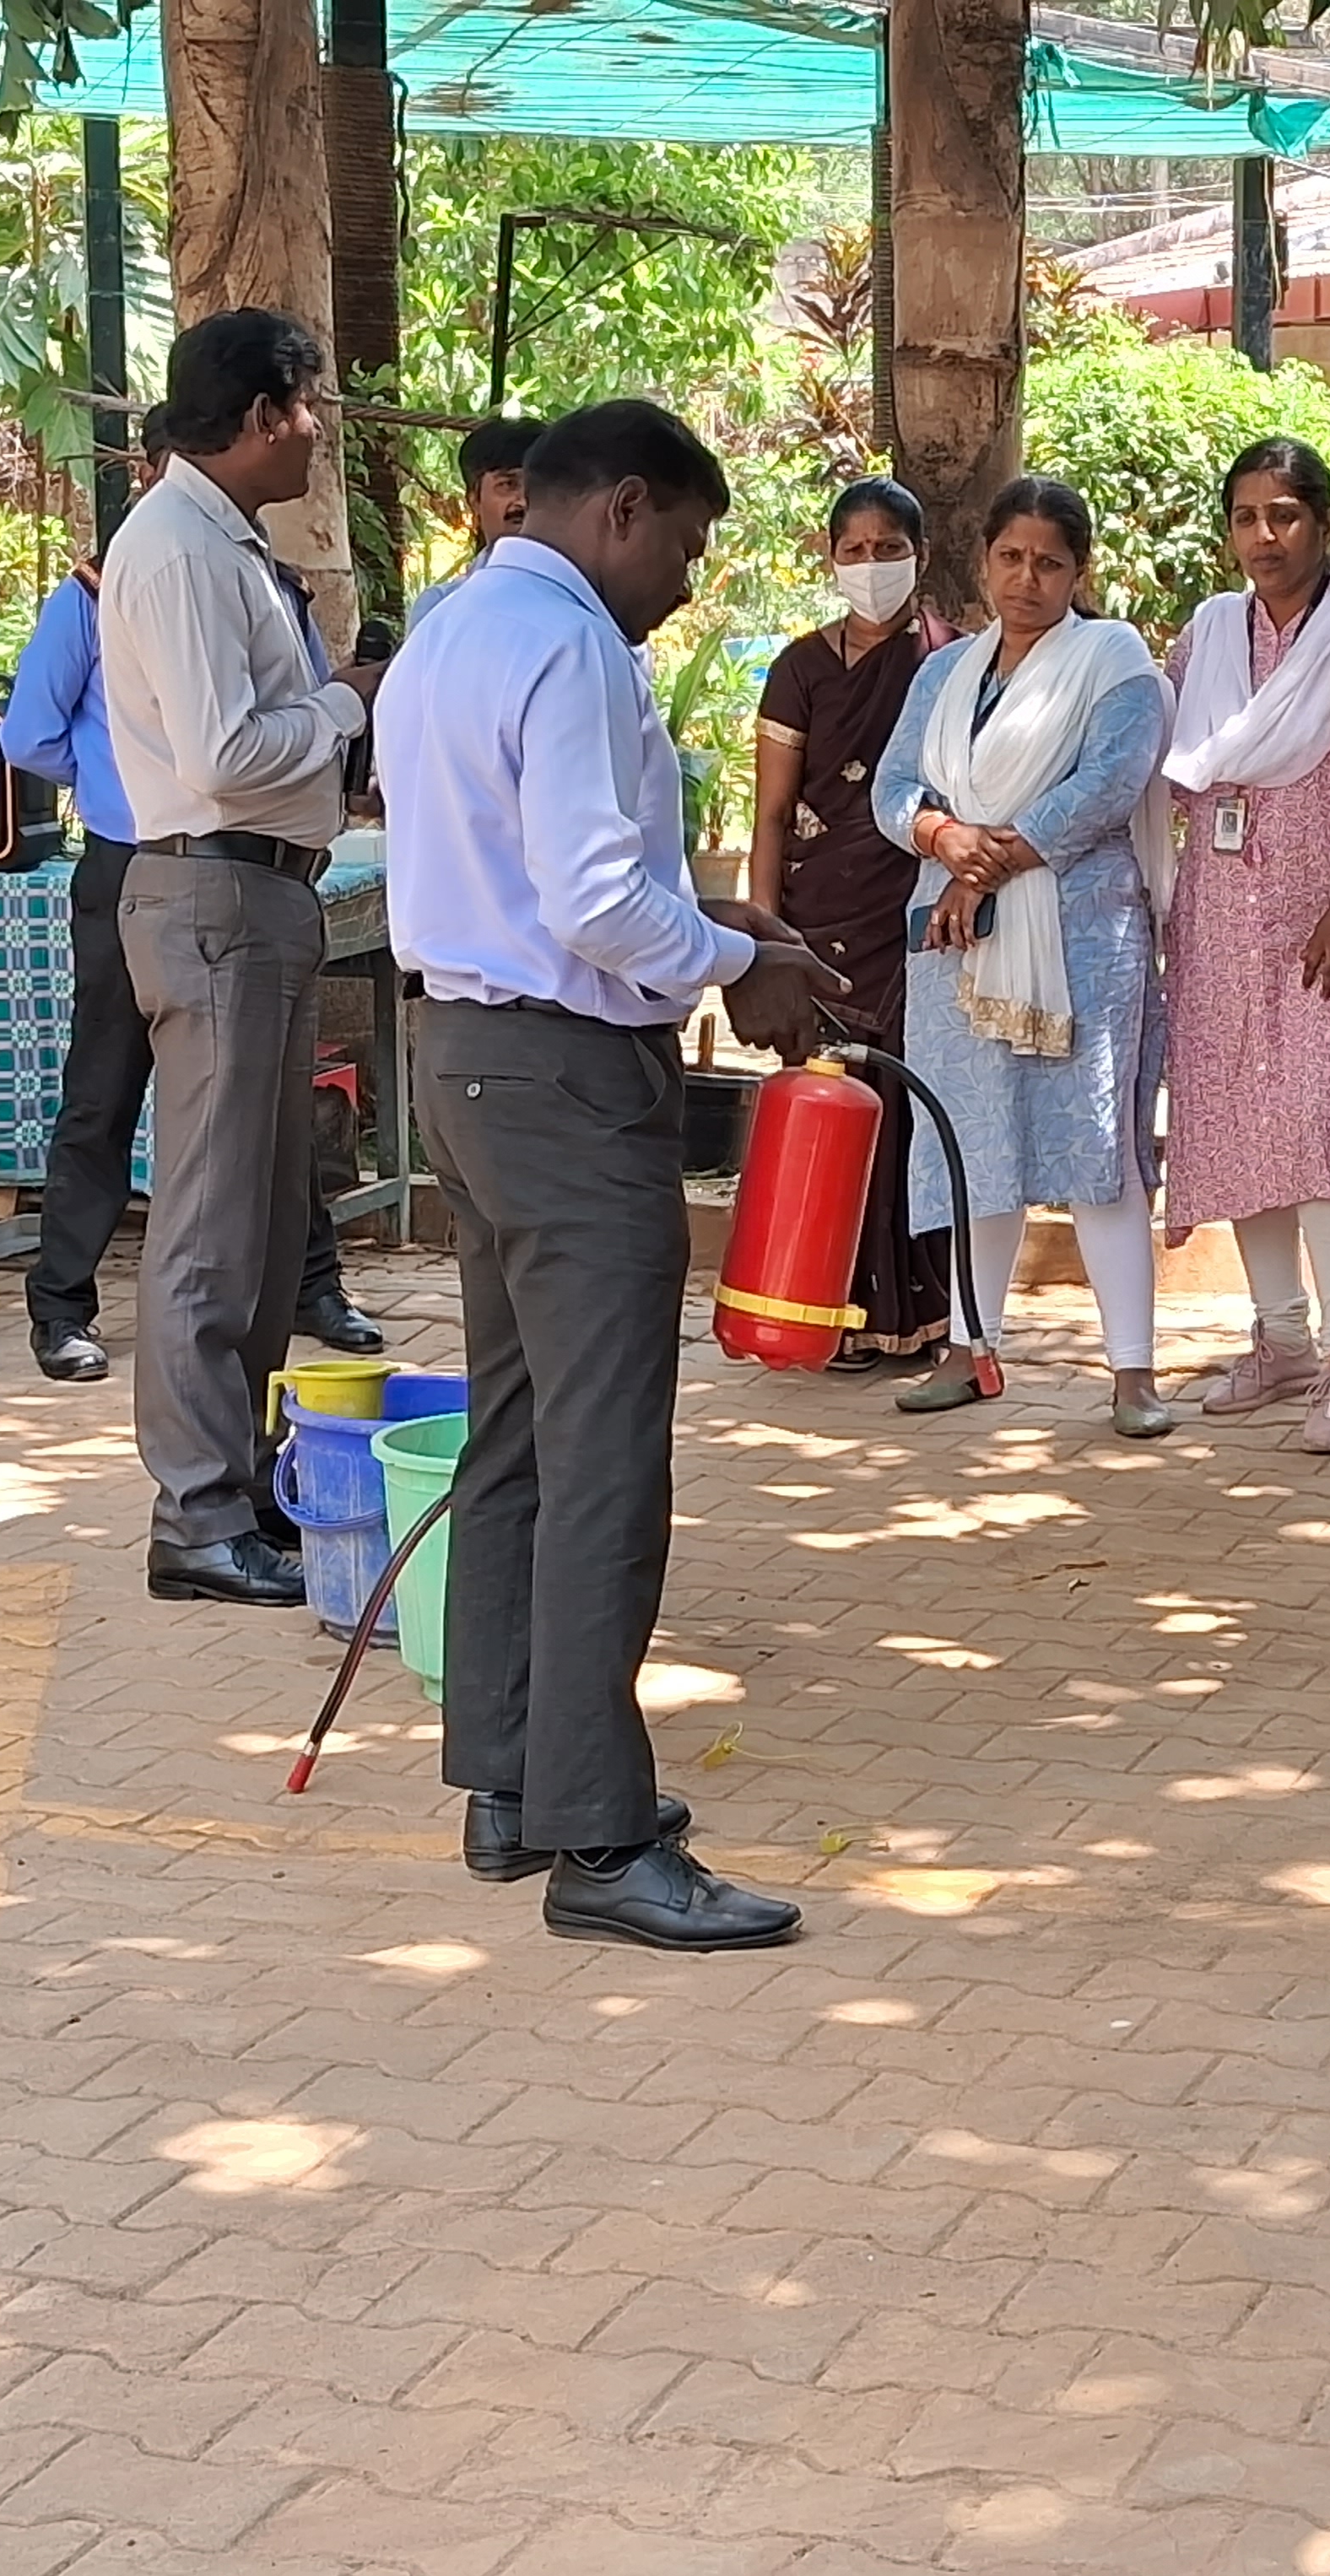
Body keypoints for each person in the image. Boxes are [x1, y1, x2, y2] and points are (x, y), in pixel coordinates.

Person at [387, 398, 842, 1950]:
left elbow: (542, 876)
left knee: (516, 1435)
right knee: (601, 1460)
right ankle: (599, 1839)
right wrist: (739, 967)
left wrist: (719, 932)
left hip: (466, 1056)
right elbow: (591, 900)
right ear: (623, 510)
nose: (687, 585)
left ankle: (511, 1779)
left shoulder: (450, 626)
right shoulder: (570, 642)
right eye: (689, 549)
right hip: (564, 1081)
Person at [95, 311, 385, 1607]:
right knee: (213, 1223)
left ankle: (243, 1484)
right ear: (263, 415)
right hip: (214, 886)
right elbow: (222, 757)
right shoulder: (175, 547)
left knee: (263, 1221)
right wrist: (342, 701)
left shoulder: (222, 539)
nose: (317, 432)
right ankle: (197, 1515)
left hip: (257, 893)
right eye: (308, 406)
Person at [4, 404, 385, 1385]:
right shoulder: (110, 585)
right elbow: (30, 735)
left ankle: (312, 1285)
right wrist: (128, 783)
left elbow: (288, 723)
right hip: (142, 857)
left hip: (252, 868)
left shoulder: (260, 578)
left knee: (263, 1114)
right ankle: (62, 1303)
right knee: (107, 1089)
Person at [873, 476, 1175, 1436]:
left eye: (1049, 562)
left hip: (1080, 937)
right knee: (976, 1138)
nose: (1027, 579)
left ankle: (1133, 1372)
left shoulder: (1113, 662)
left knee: (1096, 1148)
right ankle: (972, 1348)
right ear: (984, 561)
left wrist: (986, 863)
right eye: (1011, 558)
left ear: (1079, 571)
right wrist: (941, 837)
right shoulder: (944, 674)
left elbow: (1108, 785)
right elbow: (894, 786)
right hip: (953, 942)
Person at [1162, 436, 1330, 1452]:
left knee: (1328, 1127)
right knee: (1243, 1122)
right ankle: (1279, 1339)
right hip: (1222, 923)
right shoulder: (1206, 635)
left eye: (1283, 515)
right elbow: (1179, 768)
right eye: (1245, 517)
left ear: (1323, 521)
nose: (1264, 536)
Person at [745, 476, 953, 1374]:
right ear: (829, 559)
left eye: (888, 549)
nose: (871, 566)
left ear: (921, 555)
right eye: (854, 551)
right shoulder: (800, 668)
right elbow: (769, 815)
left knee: (910, 1108)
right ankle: (819, 1305)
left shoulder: (952, 661)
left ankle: (919, 1313)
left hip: (916, 920)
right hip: (819, 922)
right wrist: (763, 937)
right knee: (831, 1107)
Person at [408, 414, 545, 624]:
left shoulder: (586, 595)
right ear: (474, 501)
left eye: (536, 485)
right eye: (508, 485)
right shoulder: (438, 608)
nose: (523, 501)